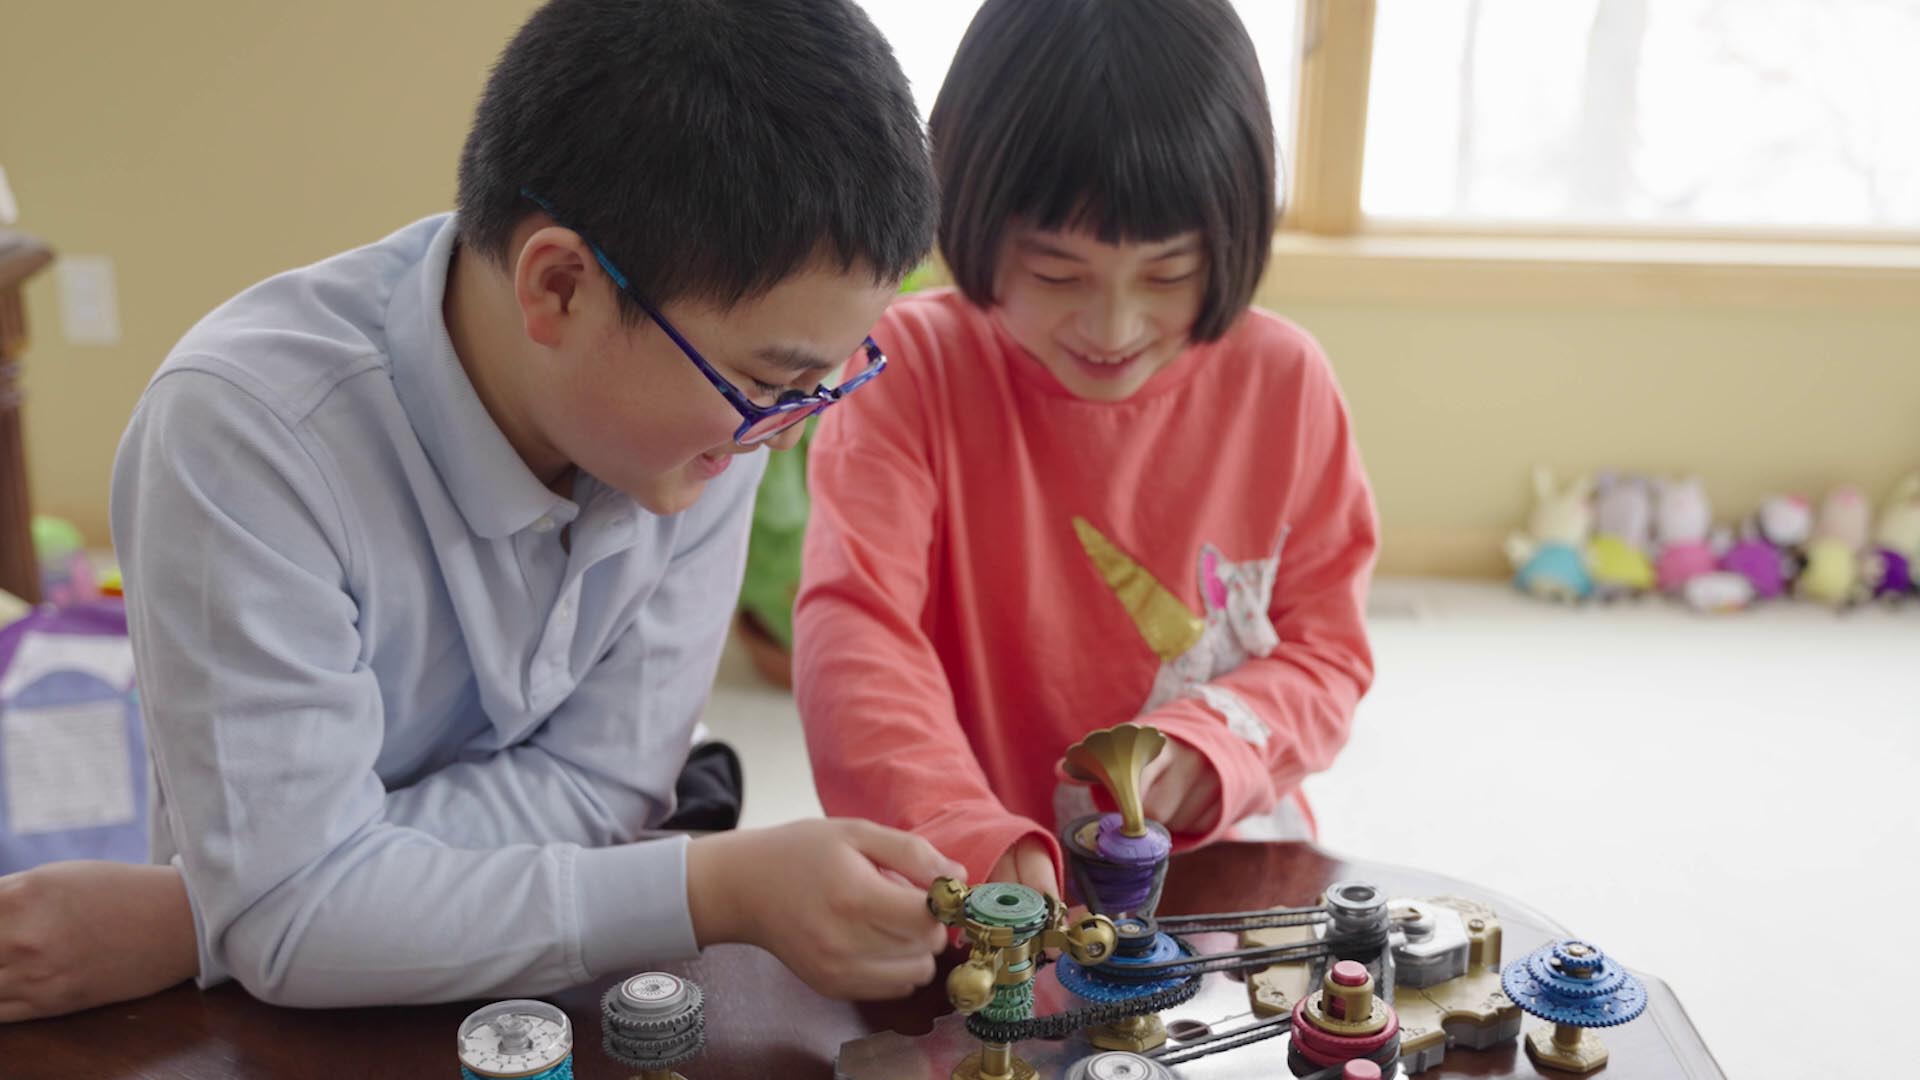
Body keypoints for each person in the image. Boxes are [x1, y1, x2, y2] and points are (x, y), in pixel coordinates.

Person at [0, 0, 960, 1022]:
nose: (785, 431)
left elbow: (602, 788)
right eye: (769, 382)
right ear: (560, 286)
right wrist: (709, 890)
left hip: (525, 994)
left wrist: (228, 915)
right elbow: (297, 918)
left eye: (818, 382)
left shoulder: (708, 427)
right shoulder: (248, 438)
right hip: (285, 1032)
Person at [795, 0, 1379, 899]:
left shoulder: (1285, 381)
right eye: (1057, 273)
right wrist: (964, 831)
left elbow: (1327, 653)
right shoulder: (905, 368)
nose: (1113, 327)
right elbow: (857, 632)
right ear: (972, 220)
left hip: (1222, 856)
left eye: (1168, 273)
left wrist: (1210, 747)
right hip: (970, 872)